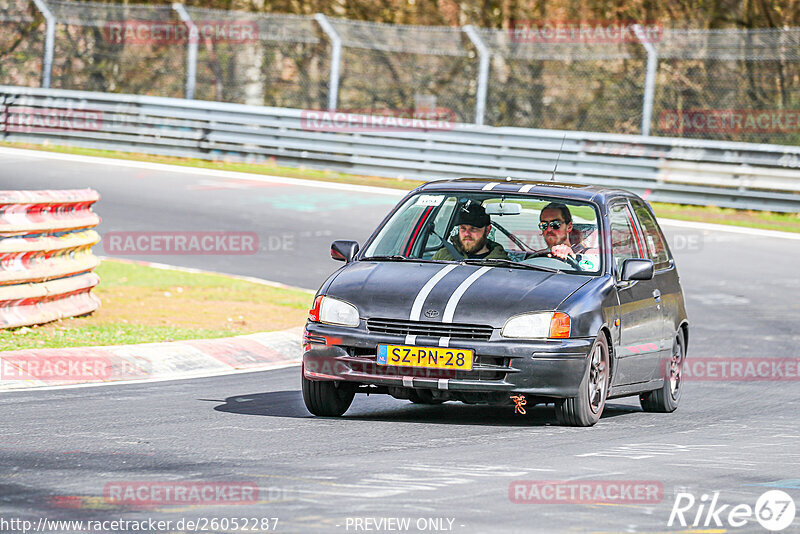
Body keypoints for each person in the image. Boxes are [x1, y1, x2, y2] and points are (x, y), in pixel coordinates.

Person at [433, 202, 508, 260]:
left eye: (473, 229)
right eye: (463, 228)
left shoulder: (501, 263)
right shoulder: (443, 256)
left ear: (488, 230)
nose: (467, 234)